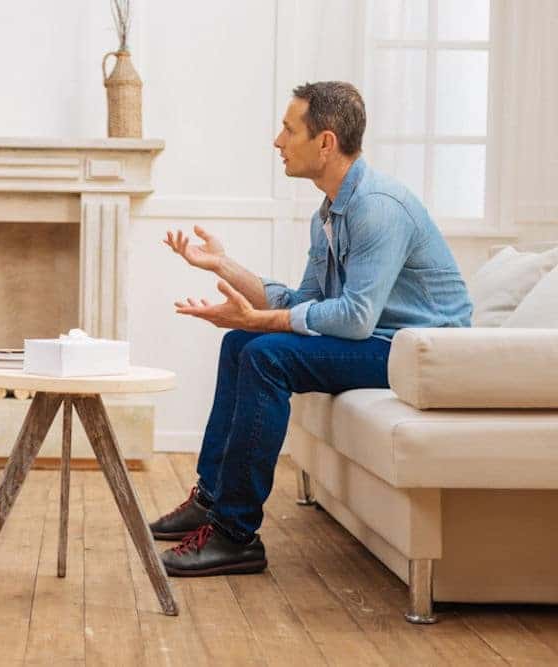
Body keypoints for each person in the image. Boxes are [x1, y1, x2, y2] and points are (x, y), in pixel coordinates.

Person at [151, 81, 472, 576]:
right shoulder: (330, 212)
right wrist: (222, 266)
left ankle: (236, 535)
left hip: (421, 355)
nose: (278, 141)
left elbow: (355, 317)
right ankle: (213, 501)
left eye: (288, 128)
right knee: (242, 342)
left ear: (325, 142)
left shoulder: (377, 206)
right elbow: (305, 304)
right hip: (381, 341)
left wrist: (263, 321)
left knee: (265, 353)